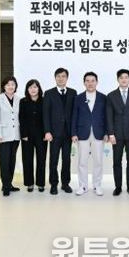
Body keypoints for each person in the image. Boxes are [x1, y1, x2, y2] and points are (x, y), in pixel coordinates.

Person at [72, 72, 108, 196]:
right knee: (82, 161)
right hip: (82, 133)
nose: (90, 83)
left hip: (99, 133)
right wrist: (73, 133)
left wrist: (107, 132)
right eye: (87, 81)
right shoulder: (78, 98)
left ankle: (97, 185)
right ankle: (83, 186)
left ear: (97, 82)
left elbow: (106, 117)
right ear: (84, 83)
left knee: (98, 161)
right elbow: (74, 116)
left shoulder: (103, 97)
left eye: (93, 81)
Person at [43, 67, 77, 195]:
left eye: (63, 76)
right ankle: (53, 184)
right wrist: (47, 131)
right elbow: (46, 114)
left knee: (67, 160)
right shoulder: (49, 93)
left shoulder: (73, 92)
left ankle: (65, 183)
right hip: (54, 133)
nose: (61, 78)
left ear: (67, 78)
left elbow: (74, 114)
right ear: (55, 78)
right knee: (53, 160)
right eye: (58, 76)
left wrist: (74, 132)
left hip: (68, 134)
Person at [106, 69, 129, 196]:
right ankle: (118, 187)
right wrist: (111, 133)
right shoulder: (111, 95)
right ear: (117, 79)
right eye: (121, 77)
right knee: (117, 162)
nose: (124, 80)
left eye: (126, 77)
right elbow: (109, 116)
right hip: (117, 134)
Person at [0, 76, 21, 196]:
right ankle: (5, 186)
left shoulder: (19, 99)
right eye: (8, 84)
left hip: (15, 135)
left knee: (12, 161)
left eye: (13, 84)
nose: (11, 86)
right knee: (4, 161)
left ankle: (9, 183)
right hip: (3, 135)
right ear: (4, 86)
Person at [19, 79, 46, 192]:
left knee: (41, 159)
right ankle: (29, 183)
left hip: (42, 135)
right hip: (27, 135)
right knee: (27, 159)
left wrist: (46, 132)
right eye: (30, 87)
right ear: (27, 89)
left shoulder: (44, 101)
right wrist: (23, 134)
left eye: (35, 87)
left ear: (39, 88)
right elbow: (21, 118)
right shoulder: (23, 101)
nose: (33, 89)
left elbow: (46, 118)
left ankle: (40, 183)